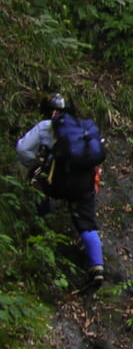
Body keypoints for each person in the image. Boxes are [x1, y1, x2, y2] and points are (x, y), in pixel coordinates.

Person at [16, 93, 105, 286]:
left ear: (50, 112)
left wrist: (35, 164)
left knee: (40, 192)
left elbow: (22, 149)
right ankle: (97, 267)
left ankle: (36, 231)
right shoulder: (85, 128)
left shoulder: (44, 127)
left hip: (56, 182)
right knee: (88, 224)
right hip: (84, 183)